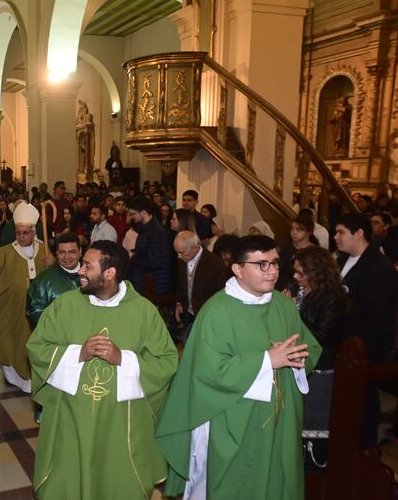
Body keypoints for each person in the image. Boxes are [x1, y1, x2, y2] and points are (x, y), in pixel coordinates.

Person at [156, 235, 322, 500]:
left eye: (275, 263)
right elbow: (208, 372)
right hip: (233, 417)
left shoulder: (282, 305)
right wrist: (267, 361)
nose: (273, 271)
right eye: (262, 264)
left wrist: (297, 358)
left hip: (280, 417)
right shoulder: (216, 312)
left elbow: (308, 347)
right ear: (238, 269)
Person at [26, 240, 178, 499]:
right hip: (71, 416)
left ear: (110, 273)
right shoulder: (65, 305)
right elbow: (37, 347)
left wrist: (122, 359)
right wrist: (78, 353)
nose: (80, 271)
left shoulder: (143, 311)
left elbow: (166, 361)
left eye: (88, 266)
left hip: (122, 421)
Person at [334, 213, 398, 447]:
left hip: (367, 344)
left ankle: (365, 446)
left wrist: (337, 300)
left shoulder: (379, 266)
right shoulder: (343, 258)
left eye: (341, 232)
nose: (335, 237)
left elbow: (372, 308)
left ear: (359, 233)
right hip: (345, 341)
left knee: (365, 397)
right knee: (346, 397)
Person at [0, 202, 53, 392]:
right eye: (18, 233)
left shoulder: (44, 250)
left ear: (33, 232)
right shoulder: (5, 252)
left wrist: (53, 263)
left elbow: (55, 277)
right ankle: (14, 378)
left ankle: (35, 379)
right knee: (13, 342)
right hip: (13, 310)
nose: (21, 236)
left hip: (39, 311)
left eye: (26, 233)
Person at [291, 246, 348, 469]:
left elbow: (320, 336)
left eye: (300, 272)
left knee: (314, 423)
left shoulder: (332, 298)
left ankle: (315, 470)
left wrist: (292, 314)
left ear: (316, 271)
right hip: (300, 364)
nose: (295, 277)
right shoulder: (301, 291)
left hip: (321, 369)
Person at [173, 231, 230, 342]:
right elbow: (181, 283)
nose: (179, 256)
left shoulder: (215, 262)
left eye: (182, 252)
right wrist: (179, 302)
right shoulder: (182, 260)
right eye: (177, 252)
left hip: (208, 315)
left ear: (195, 247)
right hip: (188, 314)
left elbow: (221, 291)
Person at [26, 232, 82, 328]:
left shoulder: (93, 277)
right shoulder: (42, 282)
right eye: (62, 252)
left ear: (80, 251)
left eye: (72, 252)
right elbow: (36, 317)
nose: (67, 257)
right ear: (57, 253)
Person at [127, 197, 172, 296]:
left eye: (133, 214)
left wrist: (133, 258)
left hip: (152, 284)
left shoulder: (157, 232)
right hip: (144, 280)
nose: (131, 217)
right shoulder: (145, 228)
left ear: (143, 213)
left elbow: (155, 262)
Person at [277, 215, 318, 292]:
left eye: (299, 229)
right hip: (281, 288)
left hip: (303, 290)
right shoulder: (284, 248)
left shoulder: (315, 251)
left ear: (309, 232)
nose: (294, 232)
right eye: (292, 229)